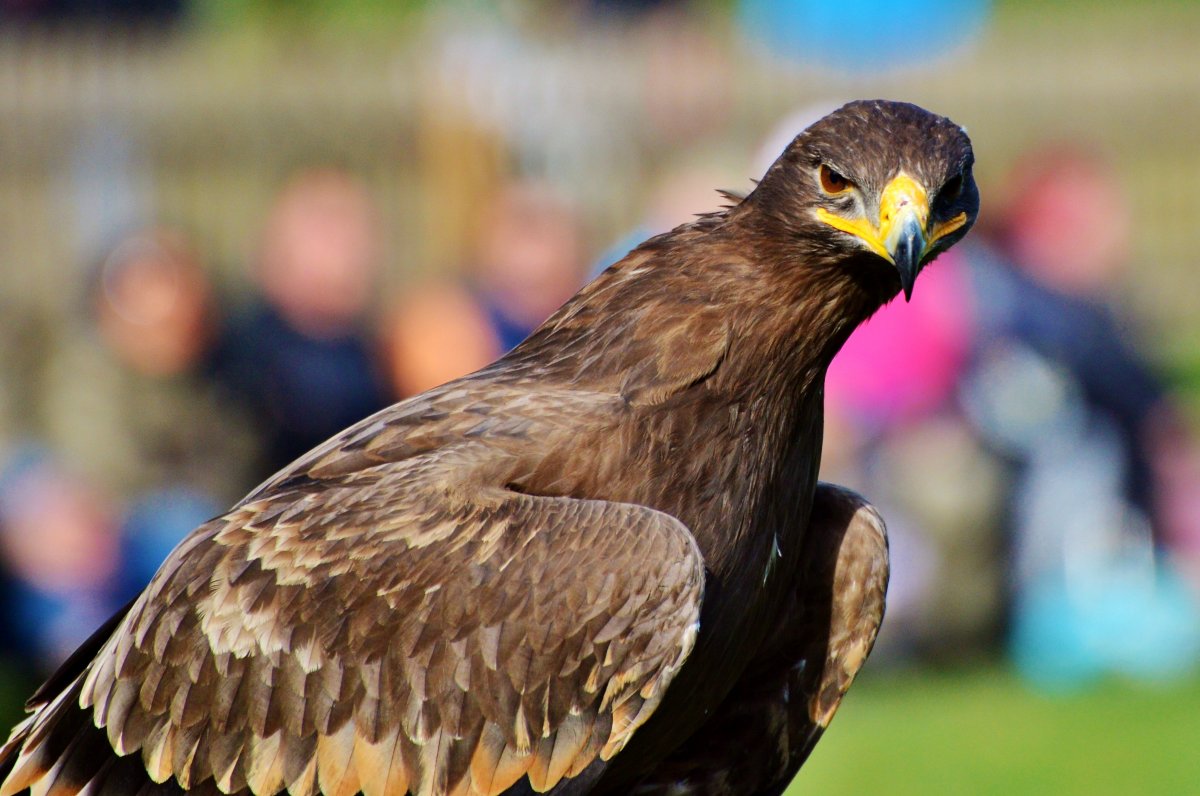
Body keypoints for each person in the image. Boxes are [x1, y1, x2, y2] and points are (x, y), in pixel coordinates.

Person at [213, 168, 394, 477]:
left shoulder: (386, 356)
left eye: (356, 222)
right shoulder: (232, 357)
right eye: (325, 223)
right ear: (273, 242)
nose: (345, 240)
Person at [385, 180, 586, 396]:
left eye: (544, 236)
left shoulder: (587, 324)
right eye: (517, 234)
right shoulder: (442, 322)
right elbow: (450, 403)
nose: (532, 258)